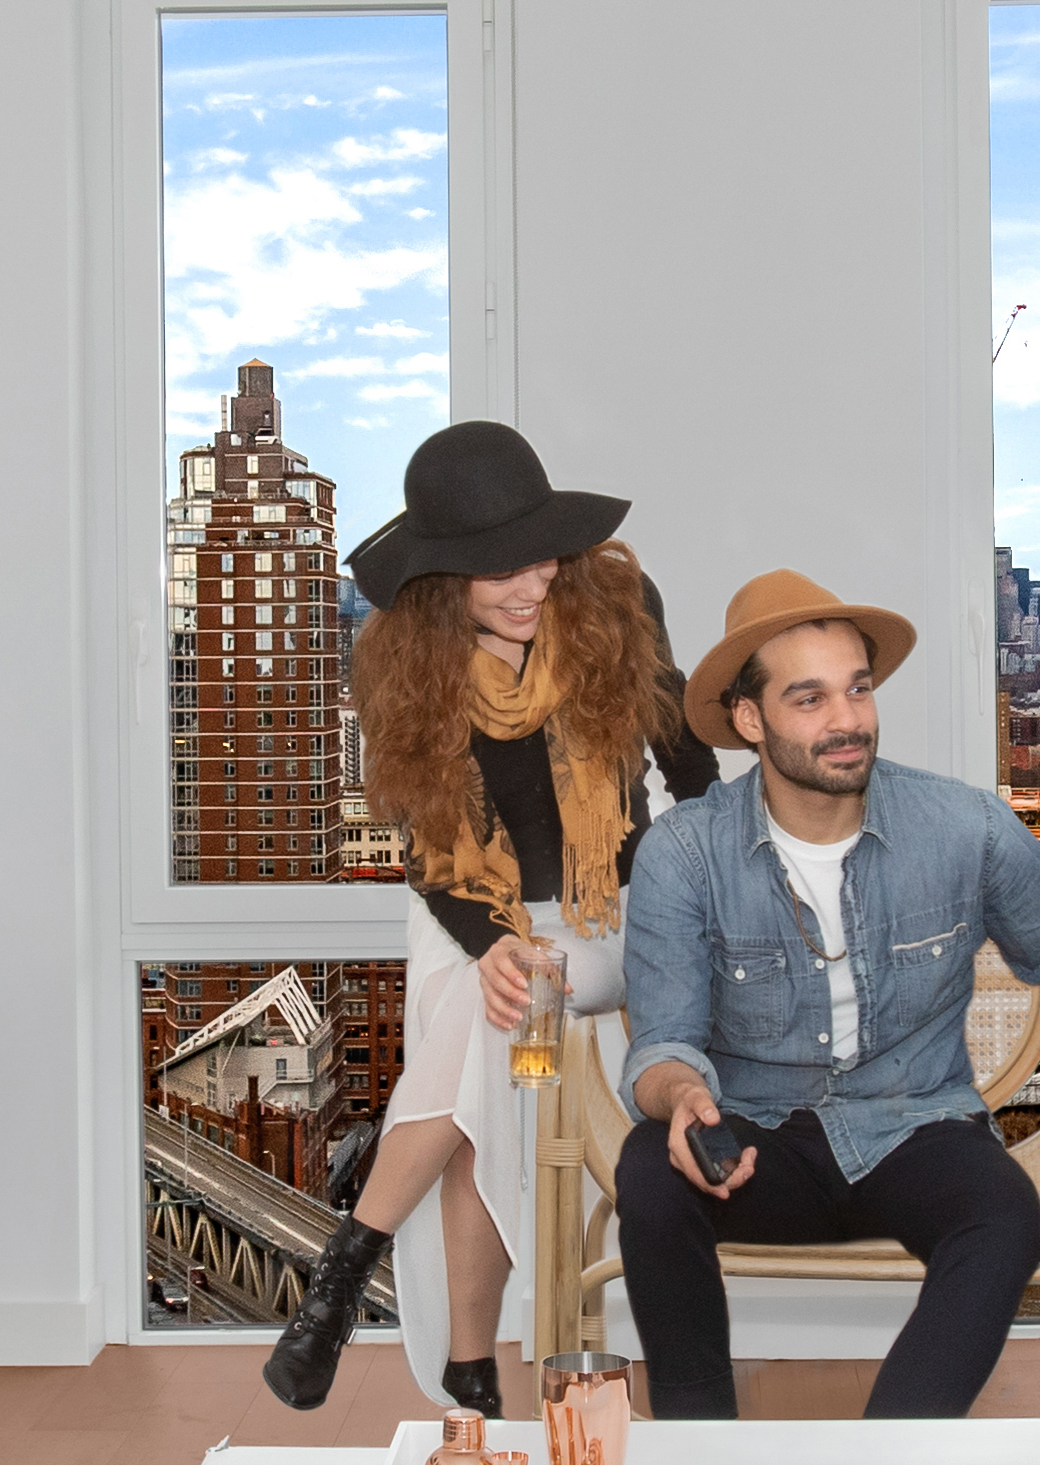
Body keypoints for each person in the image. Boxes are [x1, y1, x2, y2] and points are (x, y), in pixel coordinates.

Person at [611, 571, 1040, 1423]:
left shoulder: (963, 825)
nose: (847, 720)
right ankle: (699, 1453)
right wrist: (682, 1098)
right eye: (810, 698)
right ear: (750, 721)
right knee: (649, 1172)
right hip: (756, 1139)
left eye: (857, 689)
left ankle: (893, 1461)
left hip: (912, 1125)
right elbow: (664, 1041)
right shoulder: (685, 852)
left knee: (1001, 1210)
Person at [259, 425, 712, 1414]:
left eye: (537, 553)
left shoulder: (618, 607)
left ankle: (346, 1267)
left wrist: (697, 898)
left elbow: (687, 771)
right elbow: (432, 849)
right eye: (492, 568)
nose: (526, 584)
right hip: (466, 905)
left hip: (612, 904)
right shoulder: (397, 659)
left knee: (509, 992)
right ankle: (471, 1368)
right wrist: (494, 941)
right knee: (488, 1024)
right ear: (439, 578)